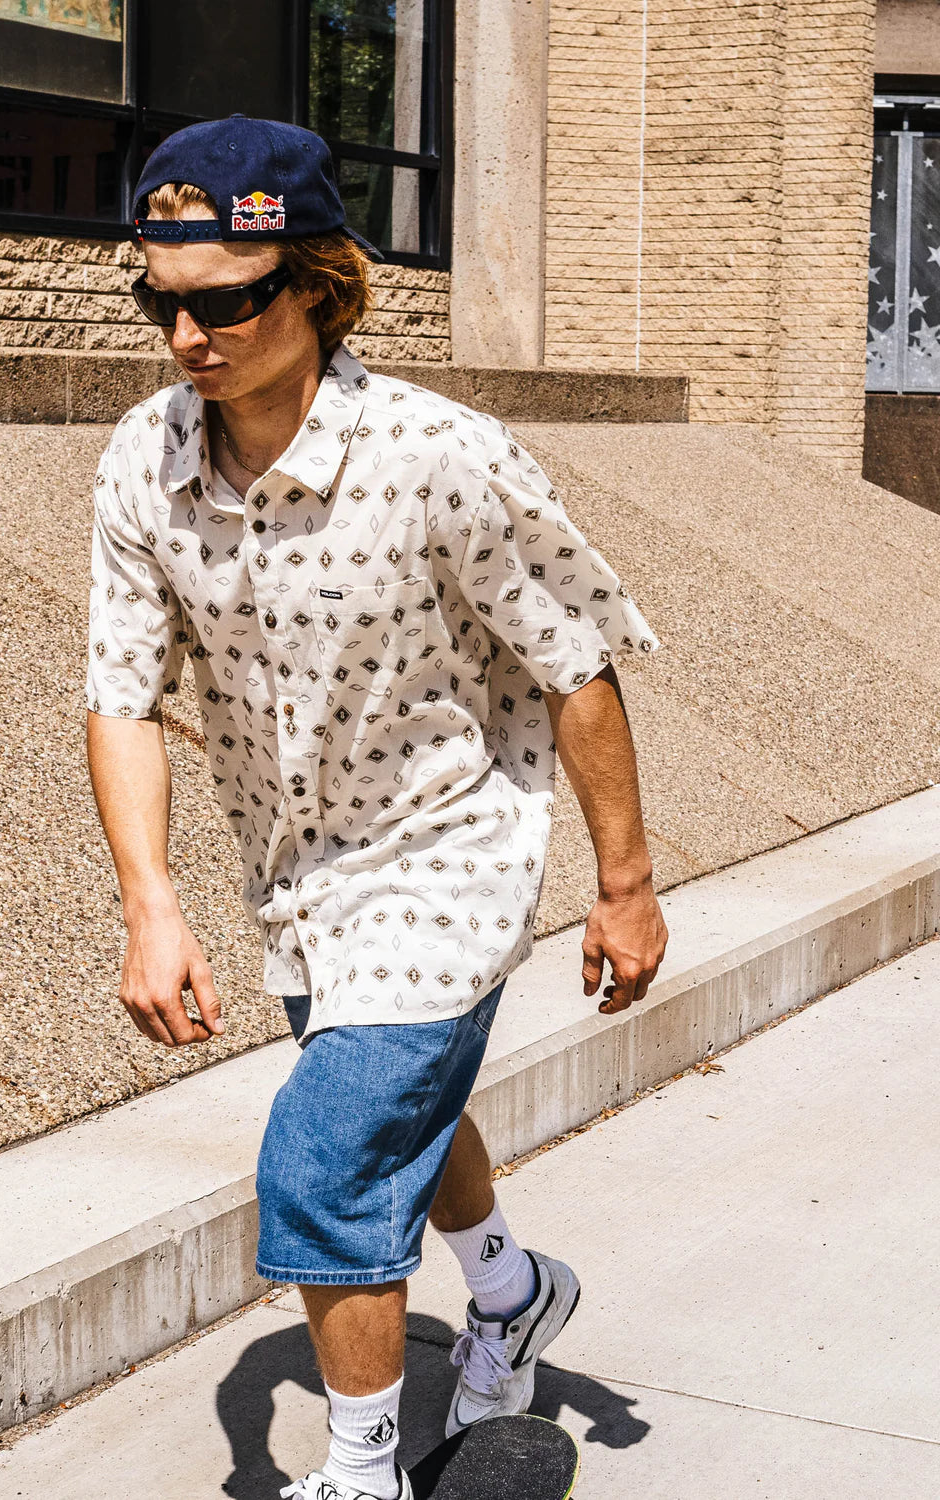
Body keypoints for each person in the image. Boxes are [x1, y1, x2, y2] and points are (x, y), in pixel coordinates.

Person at [85, 115, 668, 1500]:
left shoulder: (438, 453)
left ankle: (360, 1474)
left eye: (227, 302)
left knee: (326, 1156)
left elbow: (574, 664)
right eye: (161, 303)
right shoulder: (142, 461)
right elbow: (121, 691)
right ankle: (511, 1290)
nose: (188, 337)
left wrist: (626, 884)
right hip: (299, 878)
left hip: (449, 850)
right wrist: (151, 906)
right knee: (400, 1109)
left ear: (318, 287)